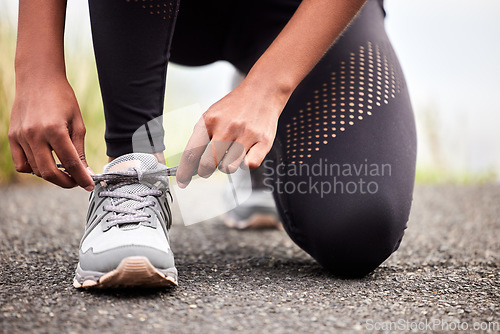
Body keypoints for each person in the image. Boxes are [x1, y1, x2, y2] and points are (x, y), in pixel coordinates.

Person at [8, 0, 416, 288]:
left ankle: (263, 124)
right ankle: (133, 174)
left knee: (360, 224)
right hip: (165, 12)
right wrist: (36, 66)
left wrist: (269, 88)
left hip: (300, 12)